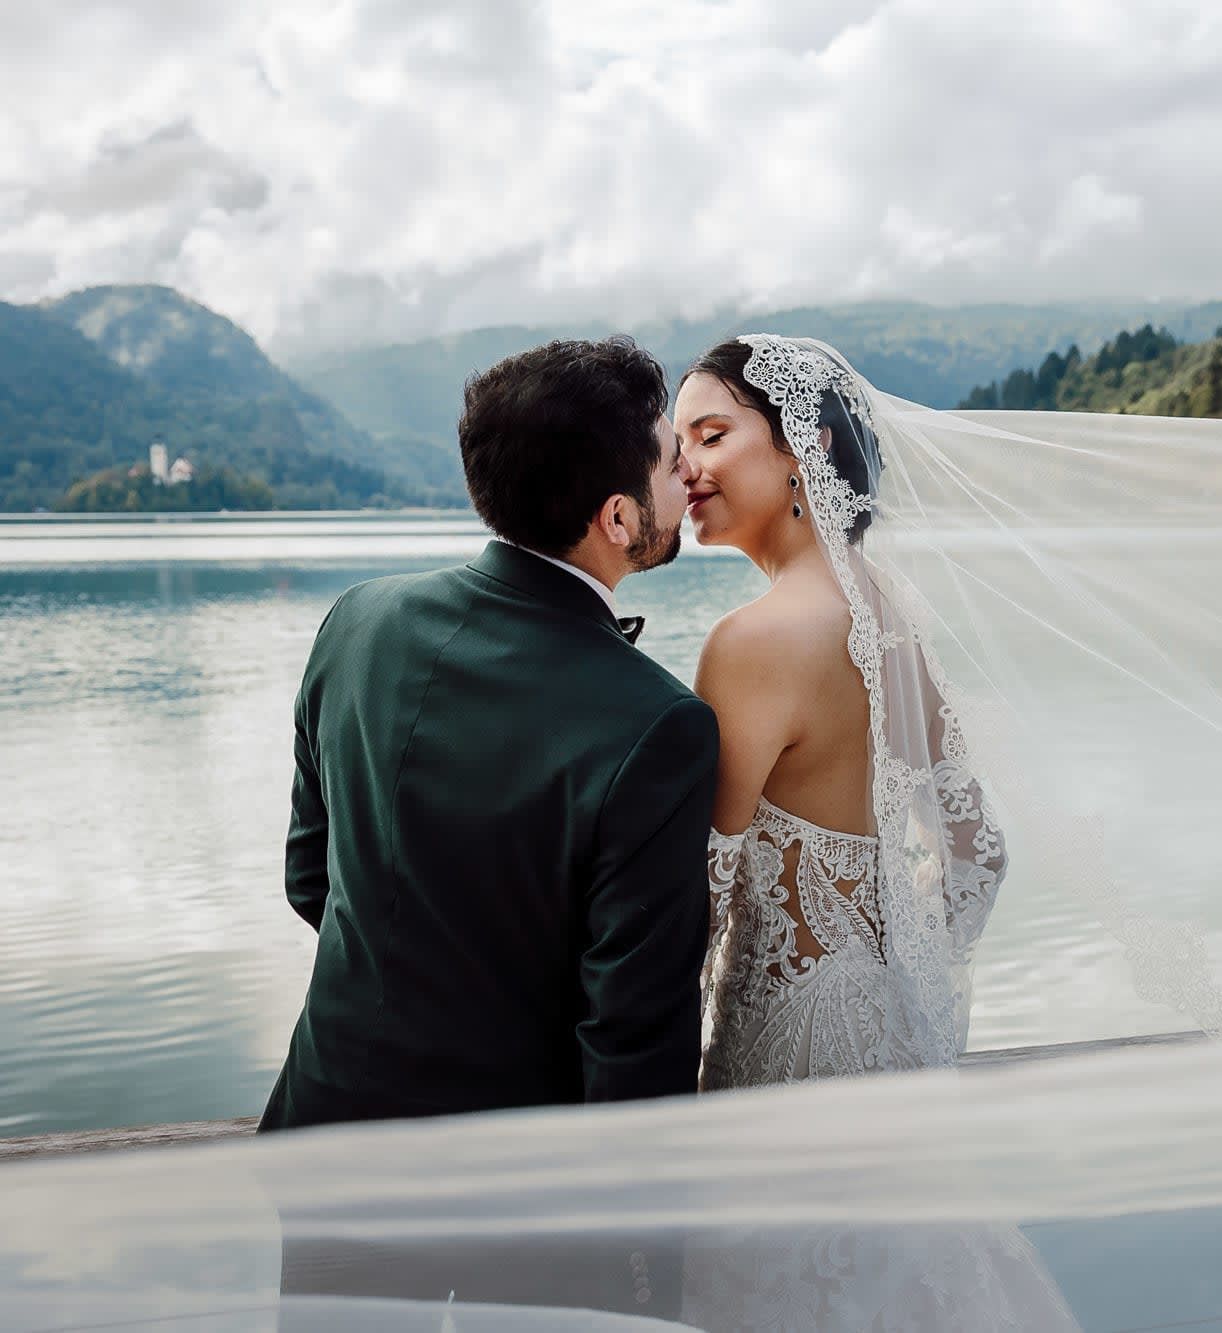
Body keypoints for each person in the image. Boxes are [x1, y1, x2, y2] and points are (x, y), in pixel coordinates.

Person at [673, 335, 1075, 1330]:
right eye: (675, 441)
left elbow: (700, 896)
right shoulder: (891, 614)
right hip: (887, 1042)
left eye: (712, 434)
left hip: (786, 1054)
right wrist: (907, 984)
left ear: (802, 446)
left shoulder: (754, 641)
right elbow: (979, 854)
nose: (685, 466)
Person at [261, 335, 716, 1134]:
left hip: (313, 1126)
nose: (688, 475)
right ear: (617, 517)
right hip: (500, 1175)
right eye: (668, 461)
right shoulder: (659, 725)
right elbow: (635, 1041)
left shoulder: (355, 619)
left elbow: (311, 878)